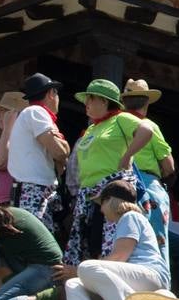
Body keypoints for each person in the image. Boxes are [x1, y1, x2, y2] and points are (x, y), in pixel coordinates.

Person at [65, 79, 159, 266]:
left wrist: (127, 156)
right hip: (88, 195)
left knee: (106, 242)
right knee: (89, 243)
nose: (86, 103)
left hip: (112, 193)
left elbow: (146, 130)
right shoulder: (93, 127)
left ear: (104, 101)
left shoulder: (120, 119)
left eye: (90, 98)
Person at [61, 180, 171, 300]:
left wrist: (78, 270)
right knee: (73, 283)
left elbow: (119, 257)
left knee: (86, 268)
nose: (101, 210)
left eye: (102, 203)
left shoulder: (130, 217)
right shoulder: (125, 221)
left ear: (110, 200)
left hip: (151, 275)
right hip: (136, 281)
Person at [117, 79, 177, 272]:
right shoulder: (148, 124)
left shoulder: (115, 125)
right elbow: (168, 165)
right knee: (157, 237)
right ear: (146, 102)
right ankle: (158, 282)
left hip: (120, 184)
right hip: (148, 186)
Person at [7, 73, 69, 234]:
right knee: (37, 242)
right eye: (56, 93)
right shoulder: (36, 112)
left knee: (39, 241)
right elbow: (60, 152)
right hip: (33, 190)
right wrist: (63, 148)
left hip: (33, 189)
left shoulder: (31, 114)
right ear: (51, 93)